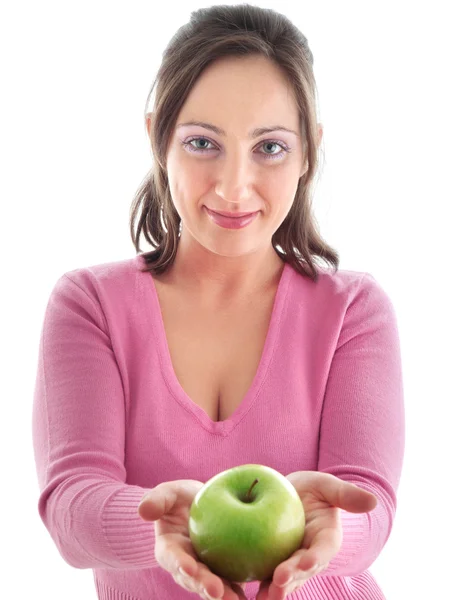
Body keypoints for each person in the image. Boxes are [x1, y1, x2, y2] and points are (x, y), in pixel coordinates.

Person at [32, 4, 405, 600]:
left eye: (270, 148)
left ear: (309, 152)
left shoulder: (354, 311)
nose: (234, 186)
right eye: (203, 143)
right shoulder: (90, 305)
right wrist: (164, 524)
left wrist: (336, 529)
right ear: (158, 138)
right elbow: (71, 507)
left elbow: (370, 503)